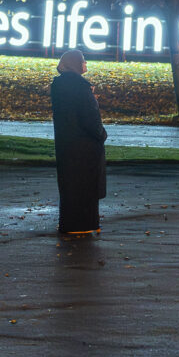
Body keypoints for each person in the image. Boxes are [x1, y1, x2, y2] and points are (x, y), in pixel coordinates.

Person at [50, 49, 107, 235]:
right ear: (76, 64)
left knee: (70, 188)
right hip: (85, 147)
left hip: (66, 145)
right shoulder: (81, 88)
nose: (86, 65)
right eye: (83, 61)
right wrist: (102, 134)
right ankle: (84, 224)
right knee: (86, 189)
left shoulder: (58, 86)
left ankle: (69, 224)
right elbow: (90, 119)